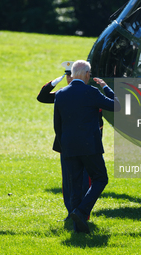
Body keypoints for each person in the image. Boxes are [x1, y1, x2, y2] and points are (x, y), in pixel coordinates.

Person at [53, 60, 121, 233]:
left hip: (68, 147)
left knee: (75, 185)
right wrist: (106, 87)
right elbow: (117, 106)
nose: (90, 76)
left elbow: (57, 126)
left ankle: (79, 227)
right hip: (90, 146)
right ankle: (81, 211)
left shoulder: (60, 94)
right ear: (85, 74)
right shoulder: (91, 91)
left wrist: (64, 145)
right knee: (100, 179)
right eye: (89, 73)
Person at [37, 61, 91, 221]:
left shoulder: (89, 92)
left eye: (71, 75)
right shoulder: (62, 93)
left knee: (84, 181)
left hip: (86, 146)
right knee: (68, 182)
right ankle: (71, 212)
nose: (69, 78)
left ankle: (83, 213)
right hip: (66, 145)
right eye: (67, 76)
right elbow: (42, 97)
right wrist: (54, 82)